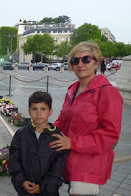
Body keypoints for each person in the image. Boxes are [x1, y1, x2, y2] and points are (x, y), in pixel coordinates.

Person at [50, 42, 123, 195]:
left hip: (89, 165)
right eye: (75, 60)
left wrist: (72, 142)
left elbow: (110, 135)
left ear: (97, 62)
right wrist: (44, 131)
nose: (80, 64)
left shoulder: (107, 92)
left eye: (86, 59)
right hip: (68, 160)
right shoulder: (73, 89)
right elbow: (63, 121)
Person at [9, 91, 69, 196]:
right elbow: (14, 161)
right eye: (34, 109)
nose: (38, 113)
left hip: (49, 192)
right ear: (29, 111)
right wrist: (22, 181)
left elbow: (58, 169)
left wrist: (43, 187)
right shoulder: (21, 134)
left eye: (43, 109)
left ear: (50, 112)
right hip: (25, 191)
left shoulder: (57, 137)